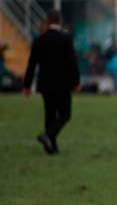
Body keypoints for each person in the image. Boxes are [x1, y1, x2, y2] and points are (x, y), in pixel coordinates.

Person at [22, 11, 80, 155]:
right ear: (60, 21)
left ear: (47, 21)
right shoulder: (66, 38)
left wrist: (27, 85)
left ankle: (52, 149)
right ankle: (48, 136)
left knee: (50, 114)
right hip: (63, 83)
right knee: (65, 114)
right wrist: (76, 81)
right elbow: (72, 62)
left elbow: (31, 64)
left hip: (45, 84)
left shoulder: (39, 40)